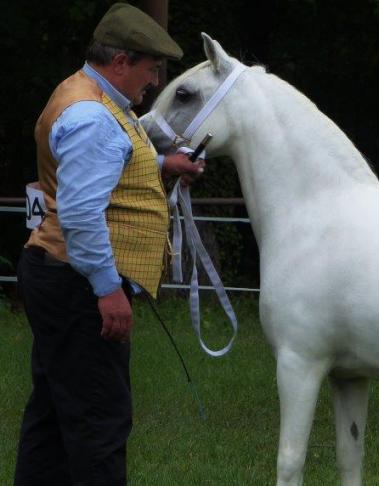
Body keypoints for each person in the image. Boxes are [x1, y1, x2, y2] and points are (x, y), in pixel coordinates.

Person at [14, 3, 204, 484]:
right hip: (77, 283)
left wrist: (164, 166)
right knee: (100, 420)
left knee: (54, 417)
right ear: (120, 61)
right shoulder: (93, 116)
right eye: (150, 67)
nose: (154, 81)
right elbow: (80, 212)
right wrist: (106, 289)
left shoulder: (83, 95)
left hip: (57, 273)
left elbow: (100, 171)